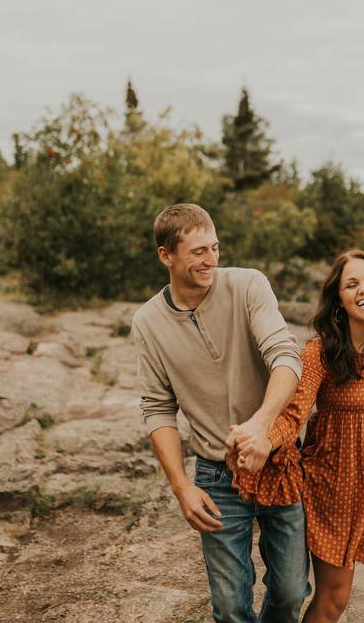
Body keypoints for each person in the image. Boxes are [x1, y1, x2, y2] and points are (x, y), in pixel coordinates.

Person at [231, 249, 364, 623]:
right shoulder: (320, 352)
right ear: (339, 298)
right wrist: (264, 441)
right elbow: (294, 411)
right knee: (334, 599)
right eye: (352, 284)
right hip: (335, 487)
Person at [131, 203, 310, 623]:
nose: (211, 260)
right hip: (216, 475)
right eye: (197, 252)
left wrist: (262, 426)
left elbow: (285, 356)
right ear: (166, 256)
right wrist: (181, 488)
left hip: (278, 461)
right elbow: (157, 408)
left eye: (214, 248)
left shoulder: (249, 285)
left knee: (289, 591)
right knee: (230, 607)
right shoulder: (147, 323)